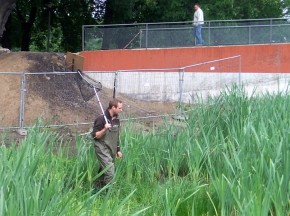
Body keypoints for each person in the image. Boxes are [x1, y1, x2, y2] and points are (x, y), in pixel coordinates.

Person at [92, 98, 123, 191]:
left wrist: (118, 150)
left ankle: (96, 188)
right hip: (101, 147)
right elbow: (96, 136)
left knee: (103, 169)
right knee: (110, 172)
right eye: (120, 108)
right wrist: (105, 129)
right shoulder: (101, 119)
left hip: (111, 147)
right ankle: (108, 194)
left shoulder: (116, 119)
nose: (121, 110)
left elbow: (116, 135)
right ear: (113, 107)